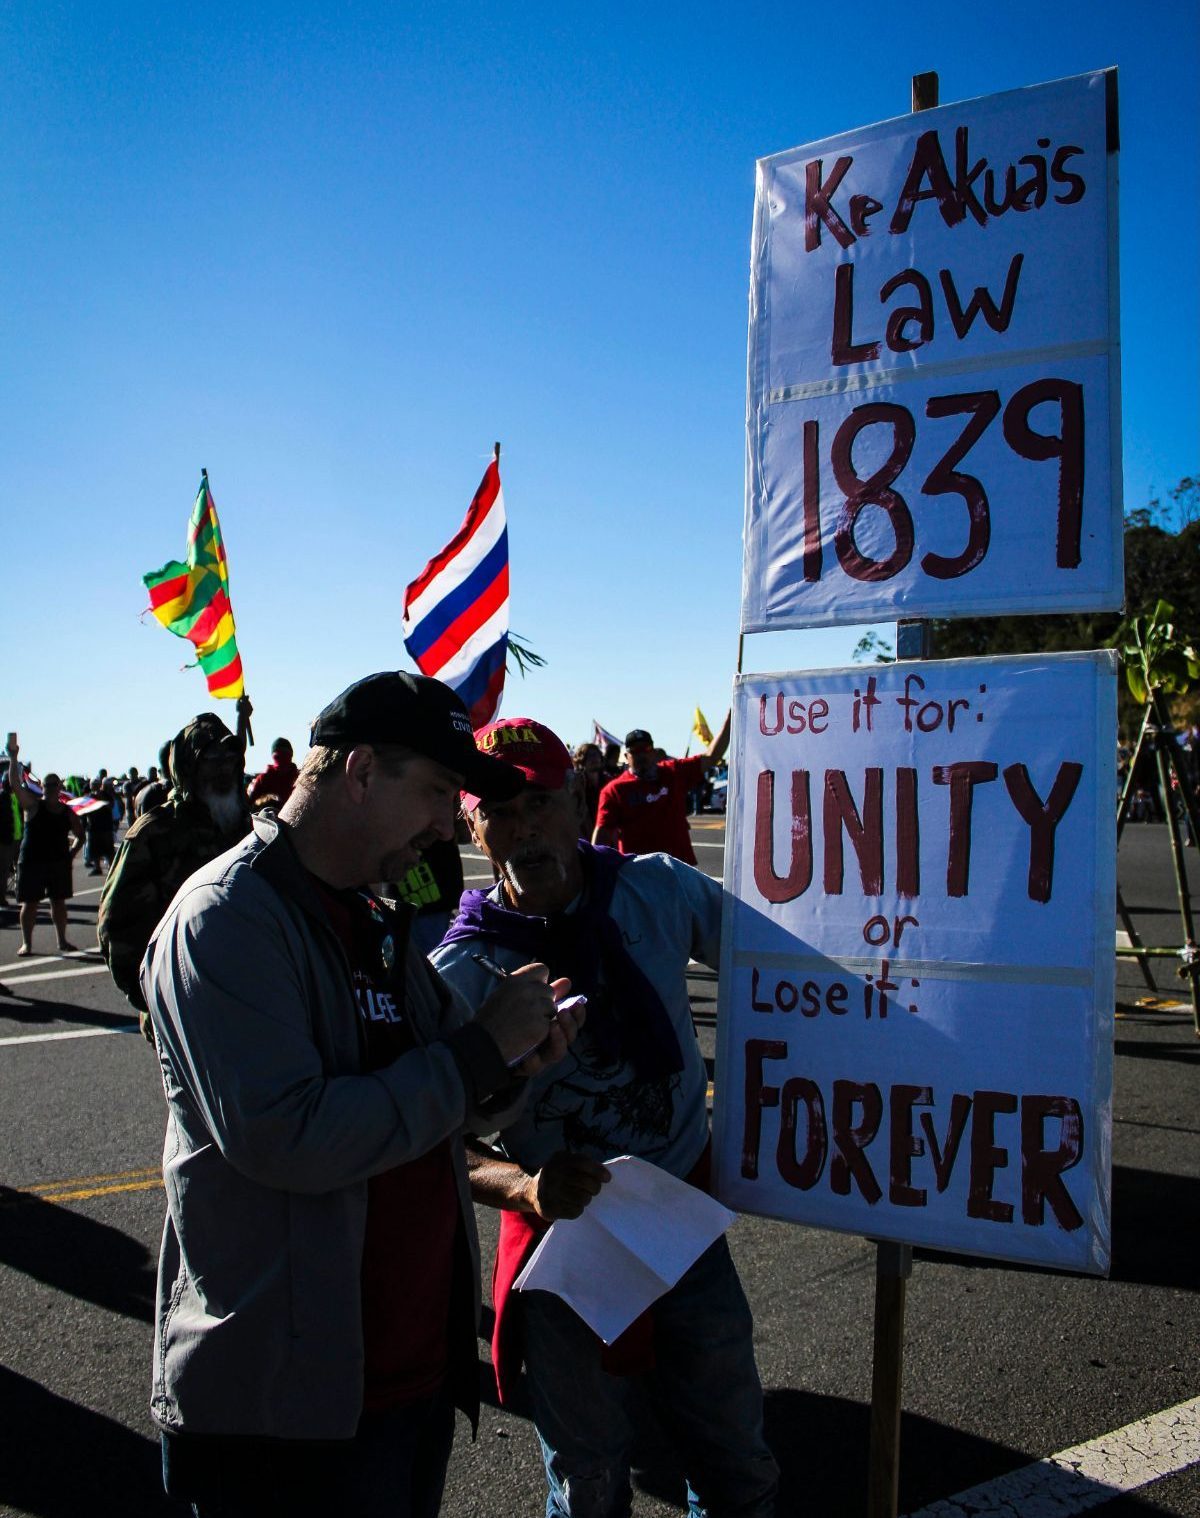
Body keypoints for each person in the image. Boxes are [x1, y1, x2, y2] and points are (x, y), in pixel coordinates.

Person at [141, 672, 585, 1518]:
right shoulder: (225, 920)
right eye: (437, 790)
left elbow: (448, 1084)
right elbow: (289, 1138)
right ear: (360, 772)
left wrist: (515, 1062)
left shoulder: (369, 918)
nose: (449, 819)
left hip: (403, 1386)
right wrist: (476, 1054)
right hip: (285, 1416)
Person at [432, 717, 778, 1518]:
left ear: (579, 802)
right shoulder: (459, 972)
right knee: (586, 1480)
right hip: (564, 1250)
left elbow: (783, 965)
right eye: (500, 811)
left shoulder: (656, 889)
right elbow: (429, 1134)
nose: (524, 830)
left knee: (733, 1452)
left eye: (543, 803)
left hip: (683, 1217)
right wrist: (524, 1186)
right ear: (469, 822)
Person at [98, 713, 252, 1035]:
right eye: (210, 759)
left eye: (229, 757)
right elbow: (118, 927)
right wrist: (156, 998)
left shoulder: (247, 825)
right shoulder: (155, 834)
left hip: (246, 997)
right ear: (187, 769)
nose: (223, 767)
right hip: (180, 1008)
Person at [592, 715, 731, 866]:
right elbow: (602, 836)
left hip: (679, 870)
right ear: (627, 756)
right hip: (639, 875)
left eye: (645, 749)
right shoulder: (614, 790)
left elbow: (711, 756)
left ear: (653, 752)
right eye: (635, 751)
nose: (641, 755)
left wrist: (732, 718)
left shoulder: (674, 772)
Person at [6, 739, 85, 956]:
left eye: (54, 785)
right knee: (30, 904)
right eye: (47, 785)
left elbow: (80, 836)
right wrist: (13, 758)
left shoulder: (67, 812)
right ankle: (27, 944)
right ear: (42, 787)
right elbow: (14, 783)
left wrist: (71, 854)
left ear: (59, 787)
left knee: (58, 903)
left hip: (57, 862)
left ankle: (62, 940)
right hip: (31, 862)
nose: (50, 788)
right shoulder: (33, 806)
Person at [247, 736, 300, 811]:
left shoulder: (299, 779)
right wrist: (265, 800)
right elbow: (249, 806)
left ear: (291, 755)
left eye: (286, 754)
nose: (282, 760)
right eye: (277, 756)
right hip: (268, 819)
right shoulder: (263, 779)